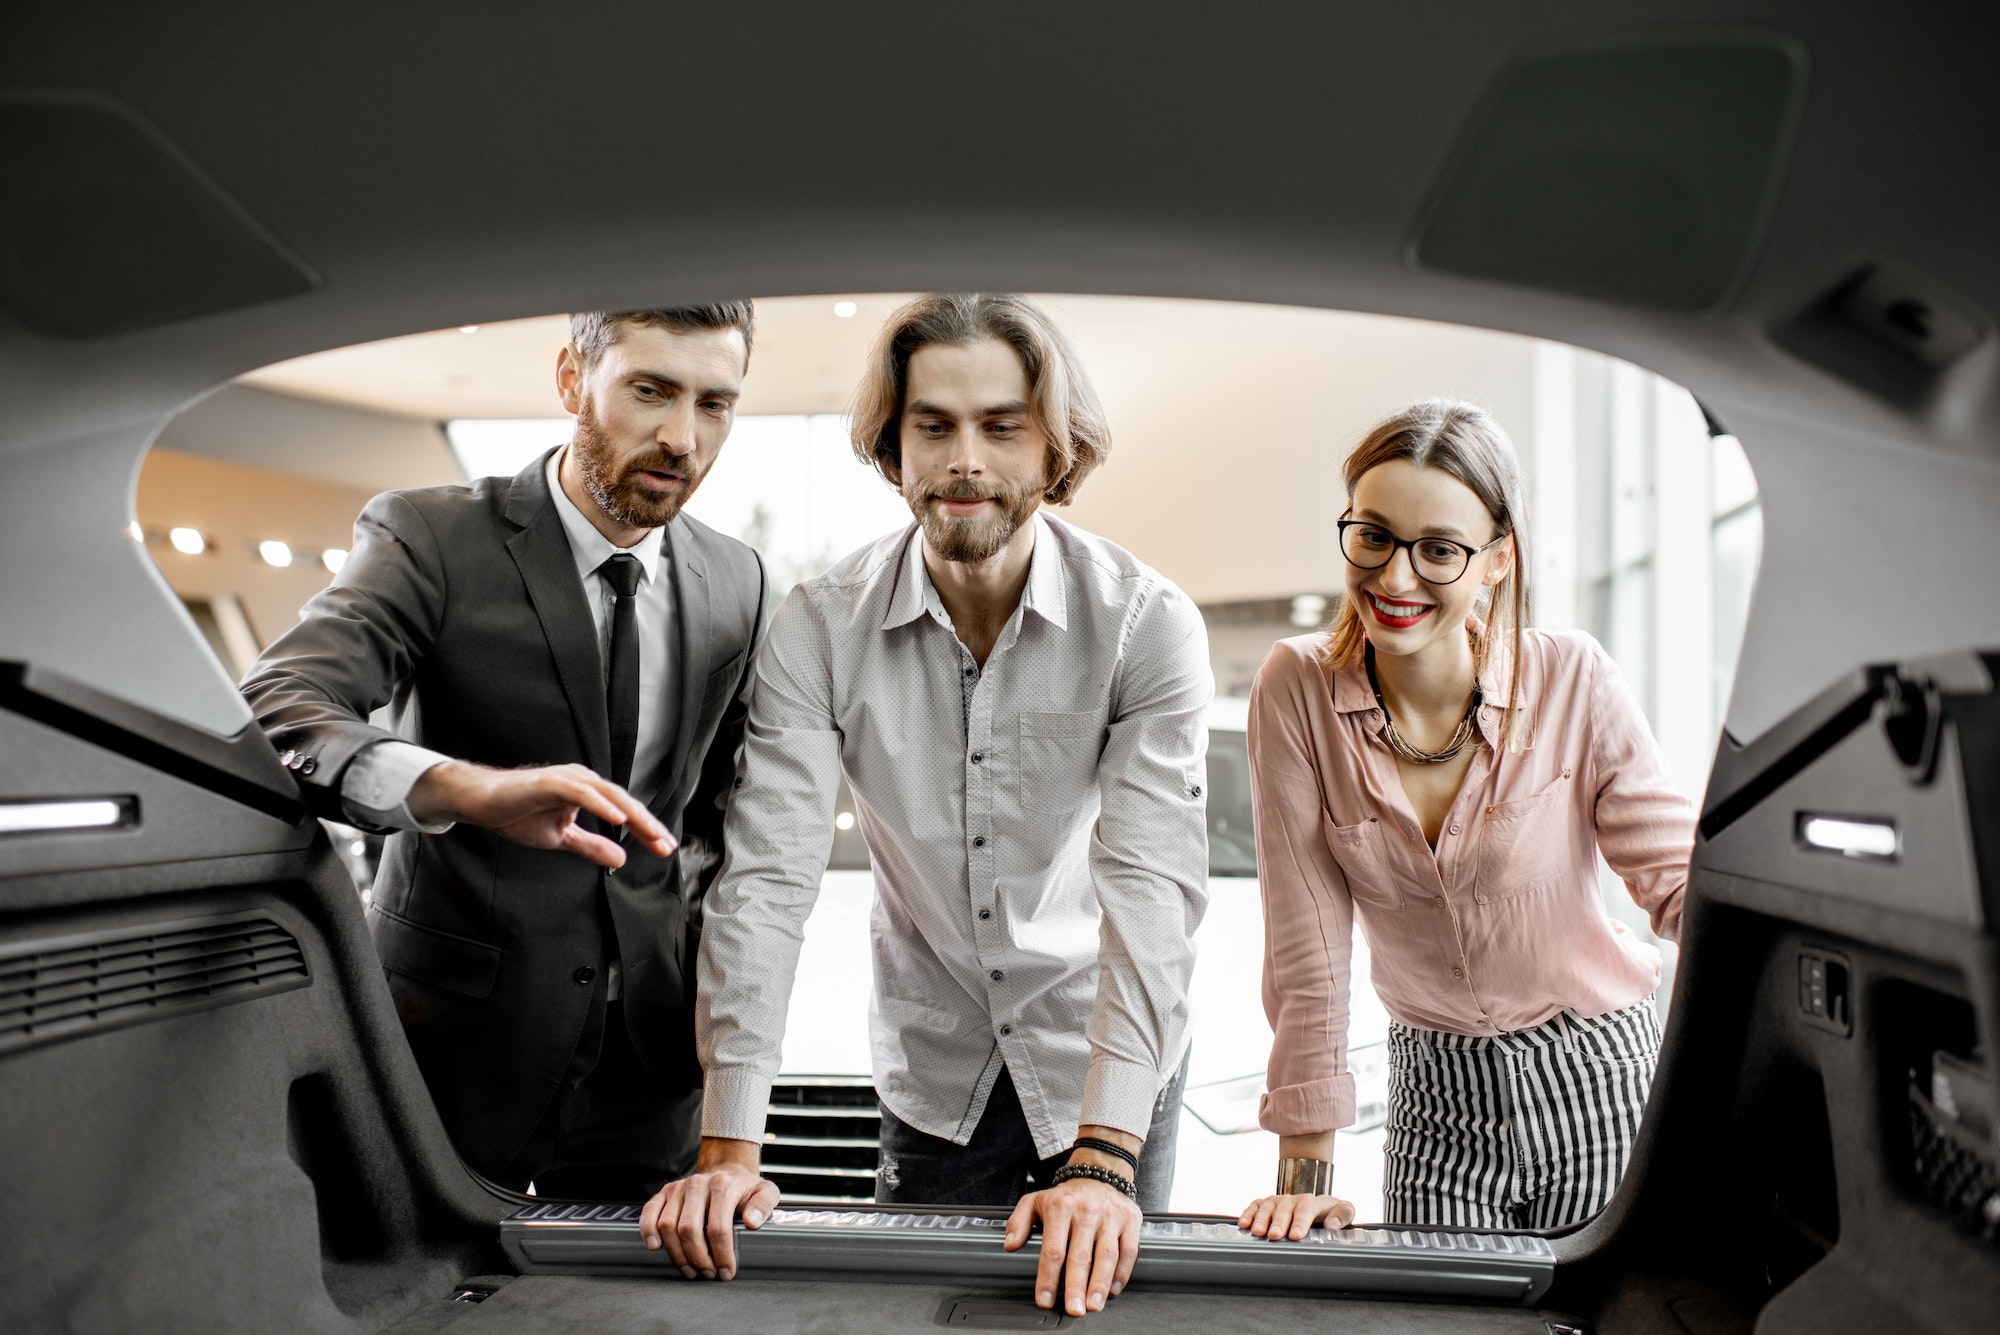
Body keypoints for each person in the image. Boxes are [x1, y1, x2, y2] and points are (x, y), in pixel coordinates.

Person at [637, 294, 1212, 1319]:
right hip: (931, 1071)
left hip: (1104, 1068)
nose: (964, 462)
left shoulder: (1143, 624)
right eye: (932, 426)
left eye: (1002, 426)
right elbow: (768, 877)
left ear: (1052, 447)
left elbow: (1150, 893)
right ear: (891, 445)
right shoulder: (816, 627)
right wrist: (726, 1153)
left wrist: (1106, 1162)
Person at [240, 304, 766, 1200]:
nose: (683, 437)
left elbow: (717, 823)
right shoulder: (431, 536)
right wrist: (463, 788)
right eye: (651, 391)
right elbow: (282, 703)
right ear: (572, 379)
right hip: (452, 1048)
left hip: (651, 1070)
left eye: (715, 404)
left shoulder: (736, 578)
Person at [1237, 399, 1693, 1238]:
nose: (1395, 579)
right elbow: (1308, 947)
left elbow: (1679, 884)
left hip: (1598, 1070)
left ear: (1495, 559)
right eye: (1372, 535)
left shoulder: (1573, 679)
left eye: (1439, 550)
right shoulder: (1295, 686)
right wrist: (1305, 1172)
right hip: (1435, 1097)